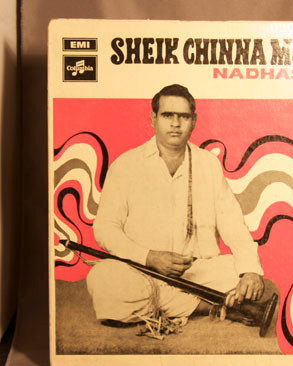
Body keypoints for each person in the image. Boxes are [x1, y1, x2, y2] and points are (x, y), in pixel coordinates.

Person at [86, 84, 266, 326]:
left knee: (244, 274)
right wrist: (149, 257)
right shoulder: (126, 165)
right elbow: (105, 229)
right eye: (167, 115)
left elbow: (232, 222)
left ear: (194, 121)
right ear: (153, 118)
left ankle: (168, 303)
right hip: (141, 270)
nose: (175, 123)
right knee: (103, 278)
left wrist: (250, 271)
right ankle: (208, 306)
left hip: (196, 272)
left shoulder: (208, 164)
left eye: (183, 116)